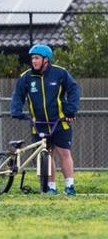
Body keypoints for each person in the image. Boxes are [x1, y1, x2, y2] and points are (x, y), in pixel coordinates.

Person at [10, 44, 80, 195]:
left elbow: (73, 89)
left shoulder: (60, 73)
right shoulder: (26, 77)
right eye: (32, 58)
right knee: (47, 155)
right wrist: (15, 110)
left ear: (46, 60)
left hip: (60, 122)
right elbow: (18, 95)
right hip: (39, 124)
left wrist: (70, 110)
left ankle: (70, 186)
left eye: (36, 58)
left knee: (64, 153)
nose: (33, 61)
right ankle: (51, 187)